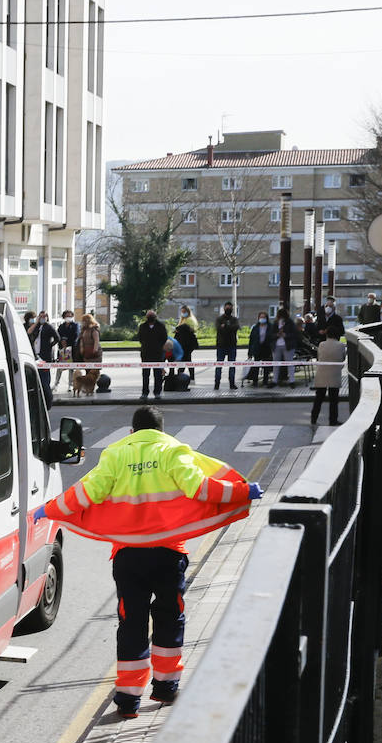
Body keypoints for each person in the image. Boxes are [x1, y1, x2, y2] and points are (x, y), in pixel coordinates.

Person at [32, 406, 261, 718]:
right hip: (169, 554)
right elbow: (201, 488)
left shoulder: (115, 454)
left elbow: (86, 494)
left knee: (132, 624)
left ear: (131, 433)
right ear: (161, 431)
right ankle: (166, 689)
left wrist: (50, 508)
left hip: (128, 556)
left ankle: (128, 700)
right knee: (170, 619)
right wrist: (243, 491)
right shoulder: (172, 451)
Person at [311, 324, 346, 426]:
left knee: (319, 398)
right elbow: (343, 358)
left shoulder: (321, 345)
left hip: (322, 374)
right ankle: (333, 419)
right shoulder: (341, 345)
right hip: (334, 374)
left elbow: (318, 357)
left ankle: (314, 418)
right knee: (334, 399)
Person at [136, 309, 169, 399]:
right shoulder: (143, 326)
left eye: (152, 315)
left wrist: (158, 346)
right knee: (145, 374)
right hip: (146, 353)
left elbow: (164, 338)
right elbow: (140, 338)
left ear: (155, 317)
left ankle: (157, 392)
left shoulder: (161, 326)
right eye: (149, 315)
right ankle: (144, 393)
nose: (150, 317)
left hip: (158, 353)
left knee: (158, 374)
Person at [265, 308, 301, 387]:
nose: (281, 318)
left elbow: (295, 334)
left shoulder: (290, 323)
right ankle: (275, 380)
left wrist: (286, 335)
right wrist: (277, 335)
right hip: (276, 345)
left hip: (288, 345)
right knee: (276, 363)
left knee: (289, 363)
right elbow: (270, 335)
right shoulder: (275, 323)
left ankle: (292, 381)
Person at [29, 312, 58, 406]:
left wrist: (50, 346)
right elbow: (29, 332)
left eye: (44, 316)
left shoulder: (49, 327)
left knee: (44, 378)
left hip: (45, 356)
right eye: (40, 316)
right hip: (36, 354)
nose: (42, 318)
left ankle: (48, 399)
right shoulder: (36, 327)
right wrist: (36, 323)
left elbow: (57, 338)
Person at [213, 302, 240, 390]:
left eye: (230, 308)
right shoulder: (219, 319)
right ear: (224, 308)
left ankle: (232, 383)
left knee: (232, 365)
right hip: (221, 345)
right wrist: (228, 328)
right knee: (219, 365)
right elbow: (219, 328)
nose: (228, 309)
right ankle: (217, 384)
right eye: (227, 308)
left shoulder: (234, 319)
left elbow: (236, 327)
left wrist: (225, 326)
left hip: (232, 345)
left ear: (232, 309)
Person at [173, 306, 199, 381]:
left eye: (184, 311)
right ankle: (186, 375)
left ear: (188, 311)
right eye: (182, 311)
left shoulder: (190, 320)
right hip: (182, 343)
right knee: (187, 359)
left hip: (187, 343)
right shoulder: (183, 319)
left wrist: (178, 329)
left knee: (185, 359)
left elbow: (189, 329)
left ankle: (181, 375)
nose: (183, 313)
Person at [245, 311, 270, 386]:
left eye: (264, 317)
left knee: (266, 366)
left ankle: (265, 381)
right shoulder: (255, 327)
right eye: (261, 317)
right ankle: (255, 381)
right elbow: (251, 340)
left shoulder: (270, 327)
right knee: (256, 366)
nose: (262, 319)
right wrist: (250, 353)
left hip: (267, 349)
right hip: (257, 349)